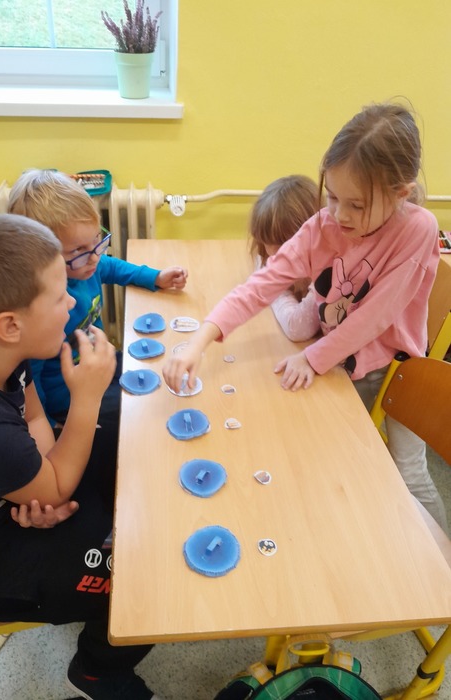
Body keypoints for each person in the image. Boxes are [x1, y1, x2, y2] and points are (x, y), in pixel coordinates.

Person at [163, 101, 448, 532]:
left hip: (394, 367)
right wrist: (199, 341)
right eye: (332, 196)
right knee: (329, 458)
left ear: (400, 194)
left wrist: (312, 358)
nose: (339, 214)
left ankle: (441, 562)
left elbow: (375, 317)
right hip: (341, 361)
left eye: (357, 205)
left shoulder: (418, 228)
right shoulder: (324, 225)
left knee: (409, 476)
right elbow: (263, 283)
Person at [0, 213, 161, 700]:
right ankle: (97, 670)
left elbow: (33, 417)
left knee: (128, 446)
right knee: (143, 582)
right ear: (10, 325)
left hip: (5, 492)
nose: (72, 302)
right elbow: (54, 488)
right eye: (58, 297)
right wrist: (86, 398)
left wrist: (44, 480)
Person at [8, 169, 187, 513]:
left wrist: (155, 278)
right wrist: (52, 433)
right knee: (126, 425)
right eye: (78, 250)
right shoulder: (43, 312)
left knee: (154, 388)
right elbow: (33, 386)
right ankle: (118, 499)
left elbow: (112, 267)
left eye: (97, 241)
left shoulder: (88, 263)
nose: (93, 256)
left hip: (100, 365)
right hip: (70, 397)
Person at [249, 175, 321, 342]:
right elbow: (261, 263)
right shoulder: (271, 252)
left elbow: (297, 329)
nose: (275, 254)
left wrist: (273, 290)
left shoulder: (328, 273)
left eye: (284, 244)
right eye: (267, 242)